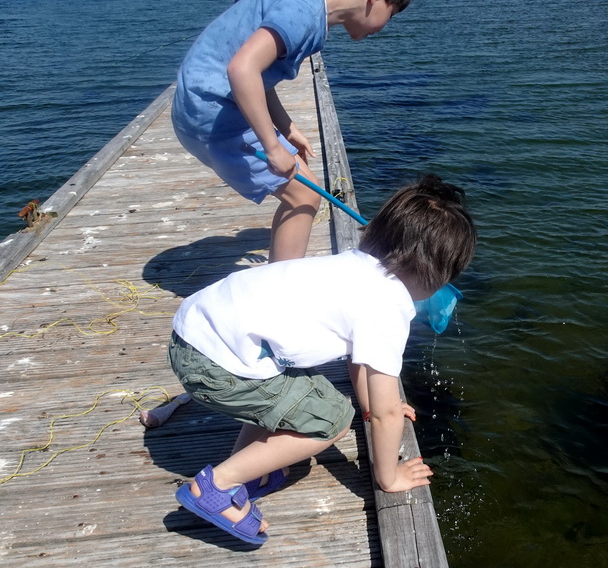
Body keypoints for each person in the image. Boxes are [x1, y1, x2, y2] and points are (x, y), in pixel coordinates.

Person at [170, 174, 477, 546]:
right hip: (217, 364)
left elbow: (360, 361)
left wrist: (377, 402)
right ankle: (215, 488)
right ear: (436, 275)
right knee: (331, 418)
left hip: (198, 331)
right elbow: (385, 415)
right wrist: (389, 476)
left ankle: (247, 470)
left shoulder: (353, 264)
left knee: (297, 393)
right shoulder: (388, 306)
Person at [172, 0, 414, 263]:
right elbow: (242, 70)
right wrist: (272, 146)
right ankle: (280, 295)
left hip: (201, 102)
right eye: (392, 13)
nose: (385, 27)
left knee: (301, 189)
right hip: (209, 109)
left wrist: (285, 128)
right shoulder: (305, 14)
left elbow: (261, 74)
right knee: (305, 196)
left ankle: (279, 277)